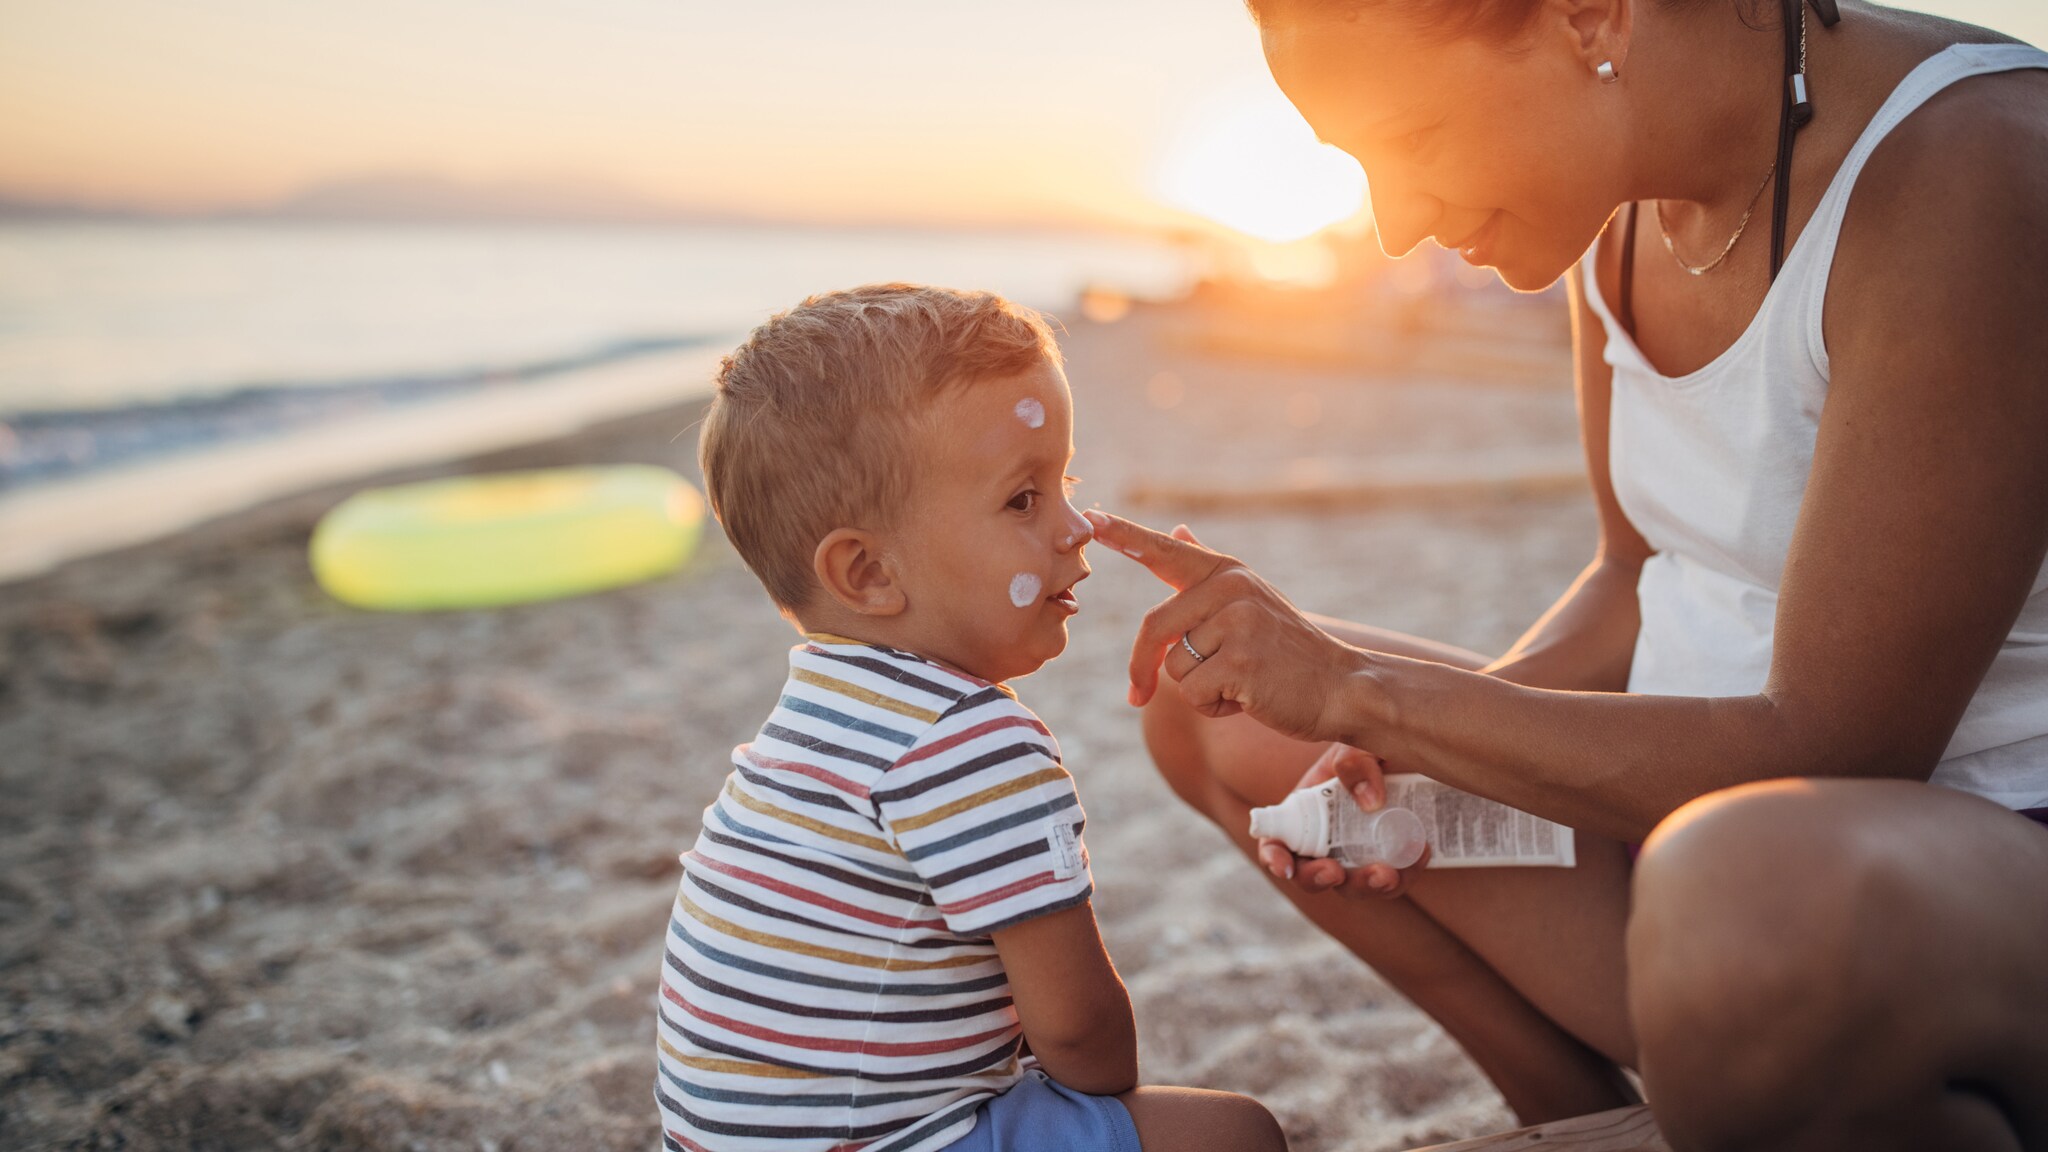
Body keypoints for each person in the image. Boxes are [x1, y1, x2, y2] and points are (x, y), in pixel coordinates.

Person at [1082, 1, 2048, 1148]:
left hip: (1903, 889)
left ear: (1589, 17)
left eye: (1412, 140)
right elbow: (1629, 573)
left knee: (1738, 885)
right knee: (1227, 724)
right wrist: (1402, 740)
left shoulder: (1965, 169)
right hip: (1686, 849)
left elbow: (1834, 747)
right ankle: (1581, 1121)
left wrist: (1376, 696)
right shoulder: (1620, 201)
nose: (1391, 227)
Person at [655, 285, 1286, 1152]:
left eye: (1064, 482)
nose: (1078, 527)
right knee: (1236, 1134)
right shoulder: (971, 741)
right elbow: (1078, 1037)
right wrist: (1095, 1089)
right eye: (1022, 501)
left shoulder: (811, 720)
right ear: (868, 572)